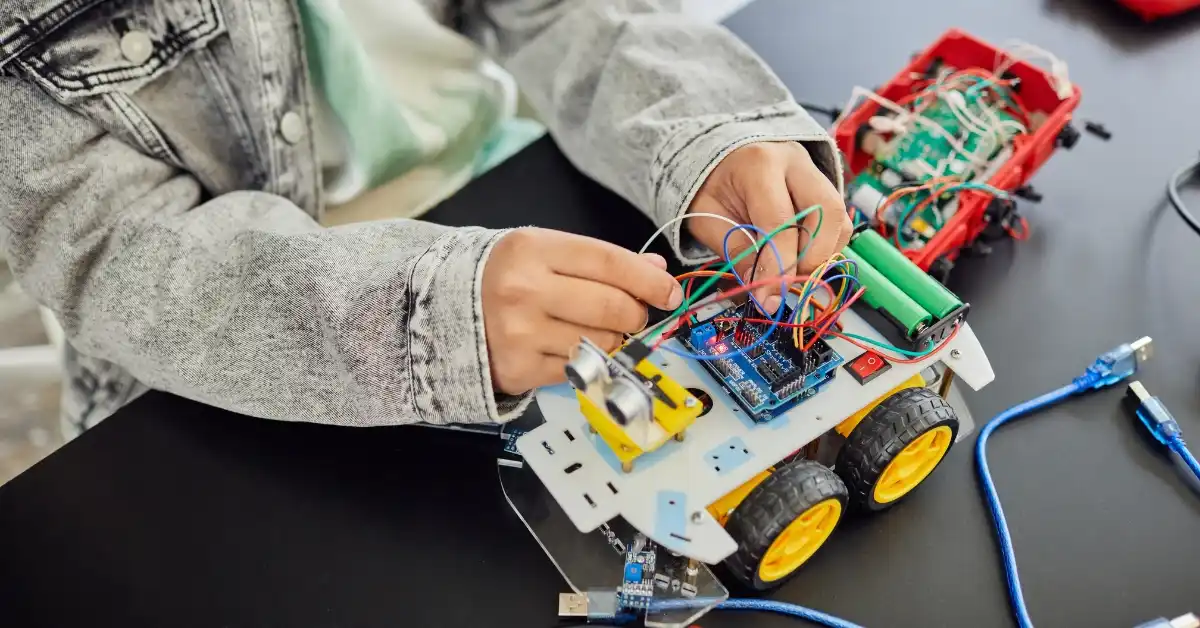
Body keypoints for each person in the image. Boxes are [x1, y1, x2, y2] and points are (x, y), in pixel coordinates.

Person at [0, 0, 850, 435]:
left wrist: (700, 127)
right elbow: (106, 247)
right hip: (222, 355)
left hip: (512, 197)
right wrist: (421, 319)